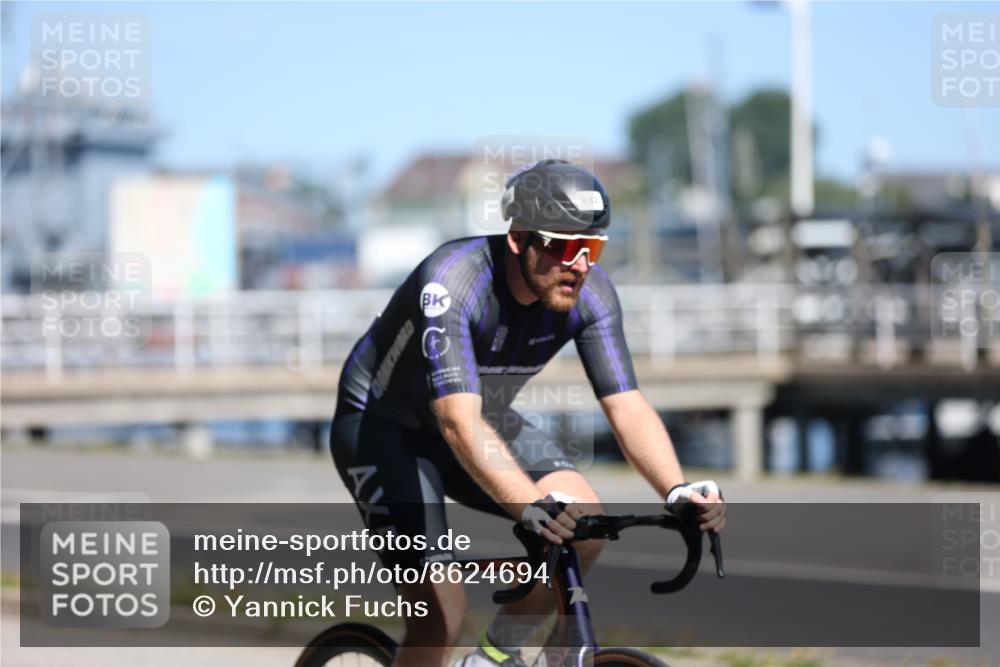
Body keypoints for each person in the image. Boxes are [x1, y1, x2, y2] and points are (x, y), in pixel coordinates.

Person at [330, 159, 726, 667]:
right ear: (519, 239)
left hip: (479, 418)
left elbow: (626, 404)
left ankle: (496, 655)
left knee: (584, 525)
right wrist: (529, 507)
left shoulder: (592, 293)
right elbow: (456, 420)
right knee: (442, 611)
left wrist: (677, 490)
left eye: (594, 248)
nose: (580, 264)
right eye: (563, 246)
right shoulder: (453, 281)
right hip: (383, 428)